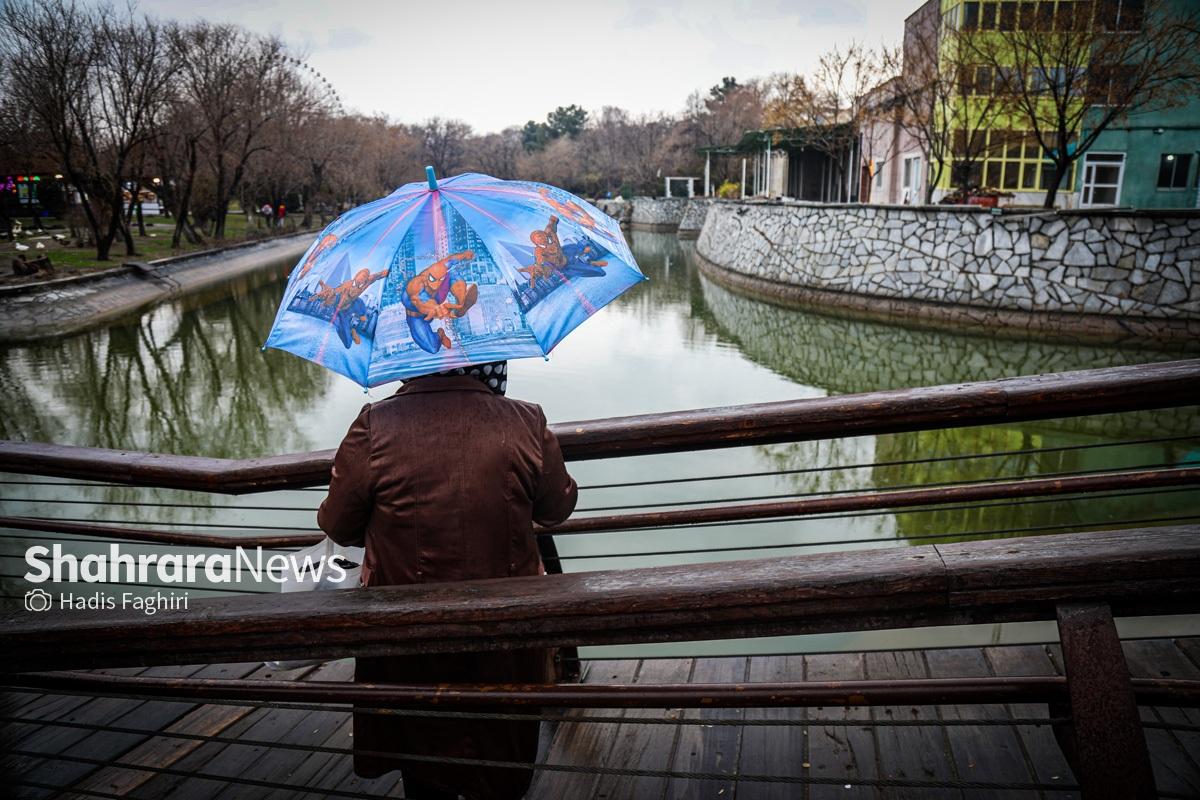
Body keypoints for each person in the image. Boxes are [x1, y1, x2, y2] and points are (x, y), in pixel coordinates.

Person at [318, 361, 577, 800]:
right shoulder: (525, 419)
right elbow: (556, 510)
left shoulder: (374, 424)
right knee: (503, 753)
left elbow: (338, 525)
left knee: (424, 756)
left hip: (407, 631)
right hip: (507, 630)